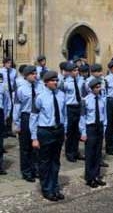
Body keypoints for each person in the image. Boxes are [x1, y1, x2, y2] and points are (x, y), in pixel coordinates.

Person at [30, 71, 67, 201]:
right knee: (45, 162)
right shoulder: (39, 97)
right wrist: (34, 137)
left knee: (55, 161)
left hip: (58, 130)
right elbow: (33, 117)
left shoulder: (61, 95)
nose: (55, 82)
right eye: (52, 80)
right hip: (45, 131)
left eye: (56, 80)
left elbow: (64, 114)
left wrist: (65, 130)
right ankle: (47, 189)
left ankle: (55, 187)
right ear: (46, 82)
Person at [14, 65, 41, 181]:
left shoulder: (40, 87)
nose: (35, 75)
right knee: (25, 147)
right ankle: (26, 171)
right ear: (26, 75)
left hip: (38, 118)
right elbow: (17, 107)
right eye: (32, 74)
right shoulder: (21, 89)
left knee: (36, 145)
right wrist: (17, 123)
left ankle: (35, 169)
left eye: (36, 73)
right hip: (26, 116)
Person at [79, 78, 107, 188]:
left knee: (98, 153)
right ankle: (89, 177)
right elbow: (82, 117)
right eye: (96, 87)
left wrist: (104, 127)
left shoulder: (102, 99)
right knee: (90, 154)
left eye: (99, 87)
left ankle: (96, 175)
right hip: (90, 127)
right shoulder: (85, 100)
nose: (98, 89)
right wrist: (83, 132)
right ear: (91, 89)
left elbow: (104, 115)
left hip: (99, 126)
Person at [59, 62, 85, 162]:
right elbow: (61, 95)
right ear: (69, 72)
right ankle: (69, 153)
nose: (77, 72)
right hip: (69, 107)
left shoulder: (80, 81)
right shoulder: (65, 83)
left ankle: (76, 151)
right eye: (74, 71)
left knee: (77, 131)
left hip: (78, 106)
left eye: (77, 70)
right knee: (70, 131)